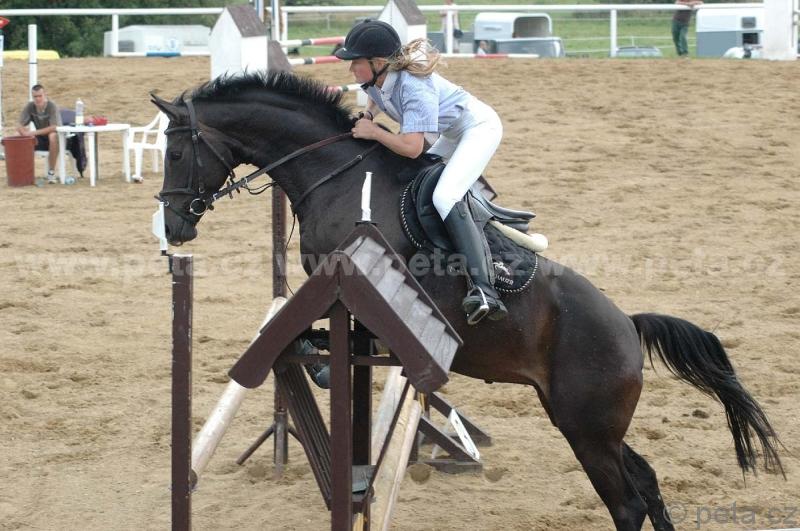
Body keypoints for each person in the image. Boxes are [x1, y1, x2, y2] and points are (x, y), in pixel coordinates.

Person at [335, 20, 507, 324]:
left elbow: (412, 147)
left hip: (478, 129)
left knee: (444, 196)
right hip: (451, 133)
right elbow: (377, 98)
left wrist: (374, 132)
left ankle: (485, 290)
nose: (351, 69)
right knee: (414, 180)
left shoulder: (414, 87)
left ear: (378, 63)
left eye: (355, 62)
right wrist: (369, 114)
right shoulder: (378, 79)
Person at [16, 84, 62, 183]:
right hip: (40, 138)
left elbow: (54, 127)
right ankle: (25, 173)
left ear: (45, 95)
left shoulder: (51, 106)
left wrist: (33, 133)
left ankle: (51, 172)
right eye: (35, 96)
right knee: (24, 140)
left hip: (58, 139)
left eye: (40, 96)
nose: (37, 99)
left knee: (53, 136)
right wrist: (24, 133)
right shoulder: (30, 106)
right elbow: (19, 124)